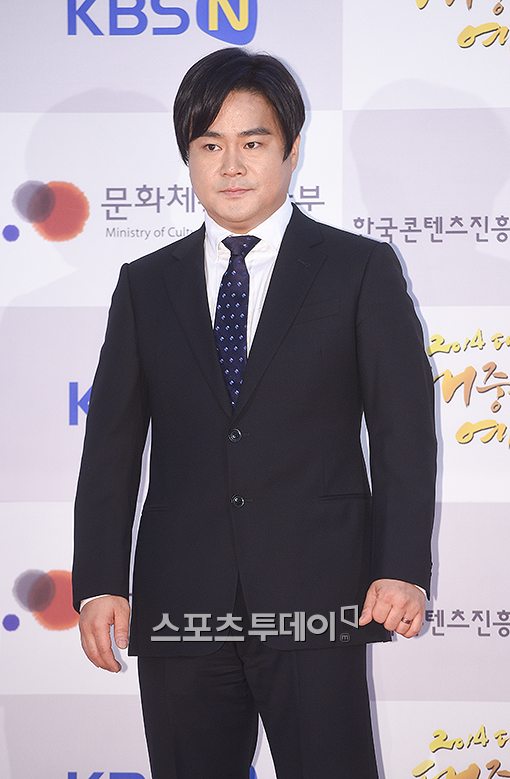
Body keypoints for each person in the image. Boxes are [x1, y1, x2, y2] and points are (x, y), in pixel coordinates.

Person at [72, 47, 436, 779]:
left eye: (253, 142)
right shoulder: (146, 284)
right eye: (210, 145)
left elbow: (403, 432)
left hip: (318, 594)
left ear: (291, 149)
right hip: (182, 600)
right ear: (188, 156)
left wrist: (400, 566)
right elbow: (111, 444)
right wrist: (100, 579)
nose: (231, 165)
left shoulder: (358, 269)